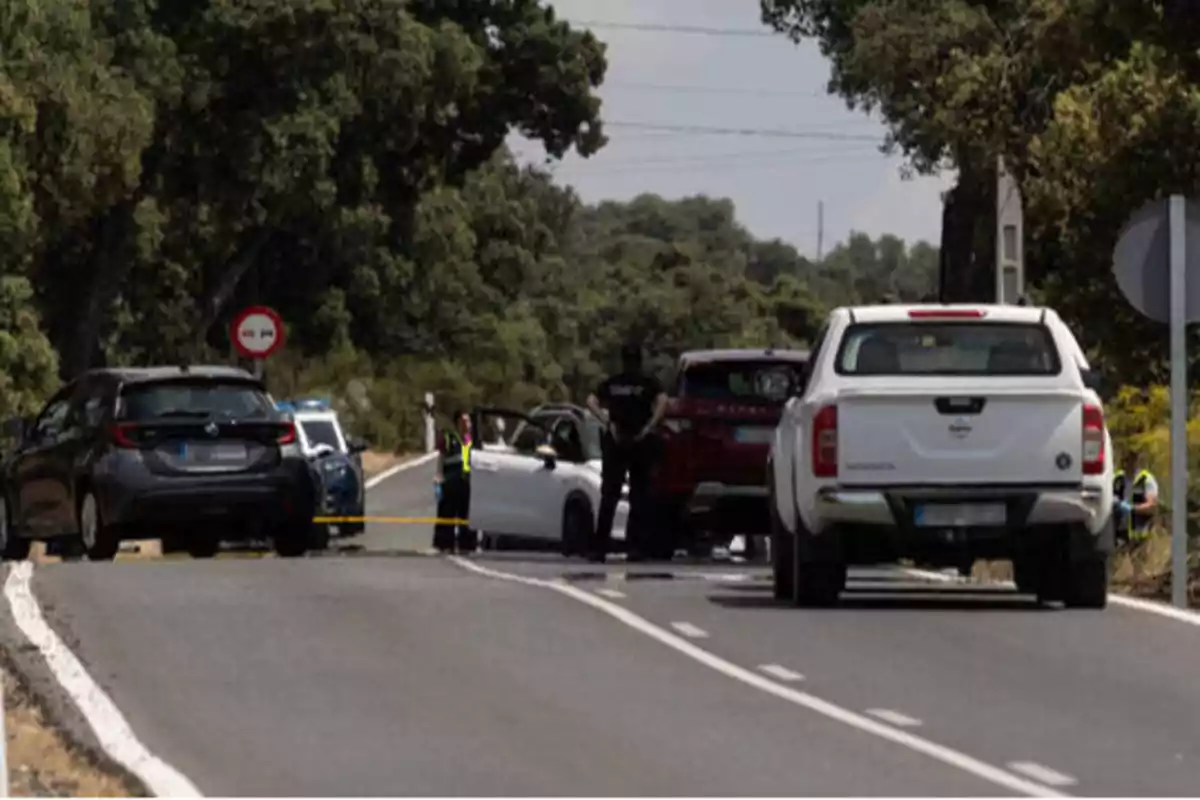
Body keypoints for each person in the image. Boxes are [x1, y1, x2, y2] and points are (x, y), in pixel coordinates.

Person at [586, 342, 669, 562]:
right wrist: (650, 427)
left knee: (613, 496)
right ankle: (633, 547)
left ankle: (601, 547)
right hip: (636, 439)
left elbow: (591, 401)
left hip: (620, 440)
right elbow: (663, 402)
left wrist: (606, 422)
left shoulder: (614, 383)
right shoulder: (648, 383)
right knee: (636, 496)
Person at [433, 409, 477, 554]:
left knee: (467, 514)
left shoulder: (473, 439)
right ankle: (445, 544)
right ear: (457, 422)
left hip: (467, 481)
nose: (467, 424)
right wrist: (438, 478)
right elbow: (441, 458)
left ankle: (467, 544)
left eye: (468, 421)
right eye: (464, 421)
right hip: (451, 479)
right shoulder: (449, 437)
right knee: (447, 513)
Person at [1113, 452, 1159, 545]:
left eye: (1128, 460)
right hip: (1119, 535)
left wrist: (1131, 508)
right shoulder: (1117, 478)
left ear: (1136, 461)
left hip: (1140, 537)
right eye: (1123, 460)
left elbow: (1151, 507)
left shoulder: (1145, 480)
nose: (1125, 463)